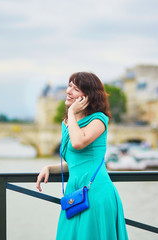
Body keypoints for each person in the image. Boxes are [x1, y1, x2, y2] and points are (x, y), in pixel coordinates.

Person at [36, 72, 129, 239]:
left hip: (96, 193)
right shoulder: (67, 123)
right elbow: (76, 163)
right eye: (69, 86)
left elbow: (79, 142)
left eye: (76, 89)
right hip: (75, 193)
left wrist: (71, 113)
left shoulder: (99, 120)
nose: (68, 91)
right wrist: (50, 168)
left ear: (88, 97)